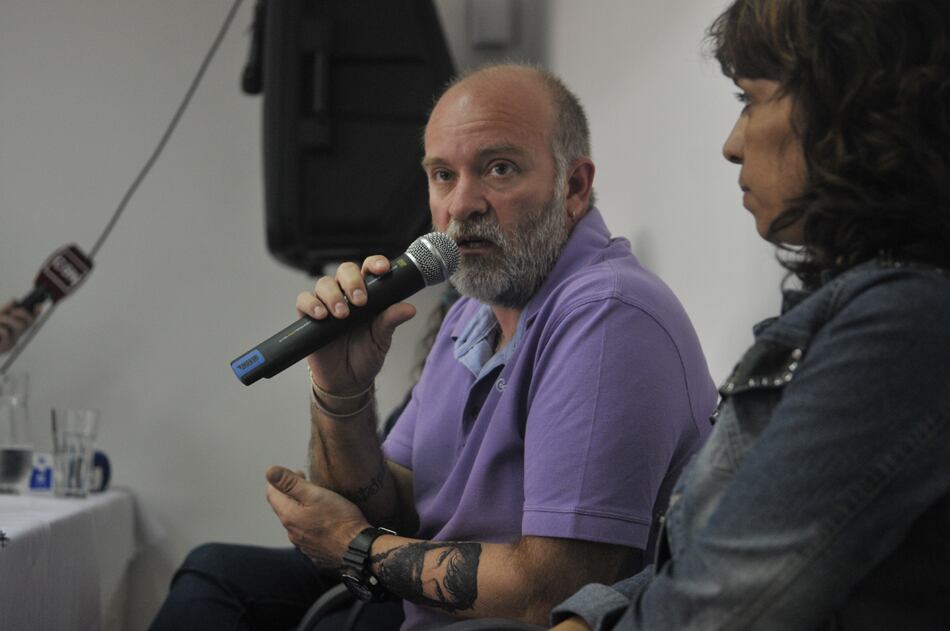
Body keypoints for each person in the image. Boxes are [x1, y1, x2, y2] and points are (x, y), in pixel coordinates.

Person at [151, 64, 716, 631]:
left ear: (573, 186)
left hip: (508, 620)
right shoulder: (471, 310)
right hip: (432, 604)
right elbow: (391, 503)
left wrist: (353, 547)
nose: (461, 204)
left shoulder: (605, 313)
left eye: (498, 169)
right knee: (215, 573)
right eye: (443, 175)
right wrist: (341, 393)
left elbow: (551, 590)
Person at [548, 1, 950, 630]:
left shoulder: (905, 324)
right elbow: (705, 558)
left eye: (750, 99)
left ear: (852, 108)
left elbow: (718, 605)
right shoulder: (857, 307)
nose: (732, 145)